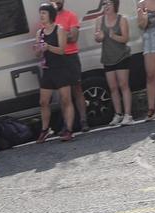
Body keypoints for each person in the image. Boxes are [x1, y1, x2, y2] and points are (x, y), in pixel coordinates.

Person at [35, 3, 76, 143]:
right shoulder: (39, 33)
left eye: (44, 13)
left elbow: (62, 50)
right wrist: (38, 50)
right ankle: (45, 130)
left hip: (61, 69)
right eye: (40, 13)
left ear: (51, 15)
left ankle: (69, 130)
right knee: (43, 102)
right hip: (47, 70)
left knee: (65, 100)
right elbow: (38, 55)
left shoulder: (60, 29)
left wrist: (48, 47)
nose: (41, 16)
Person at [95, 0, 134, 126]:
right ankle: (118, 114)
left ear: (115, 5)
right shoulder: (99, 20)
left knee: (123, 84)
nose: (106, 6)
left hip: (122, 56)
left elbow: (125, 38)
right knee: (112, 87)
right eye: (104, 4)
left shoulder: (122, 19)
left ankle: (128, 115)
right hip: (107, 57)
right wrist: (99, 37)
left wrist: (113, 36)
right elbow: (97, 38)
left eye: (108, 3)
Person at [53, 0, 89, 132]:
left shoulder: (70, 15)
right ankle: (67, 125)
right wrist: (63, 35)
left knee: (77, 89)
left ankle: (84, 121)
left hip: (71, 56)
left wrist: (56, 36)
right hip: (56, 59)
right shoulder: (48, 20)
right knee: (63, 94)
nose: (57, 1)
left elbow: (73, 37)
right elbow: (47, 39)